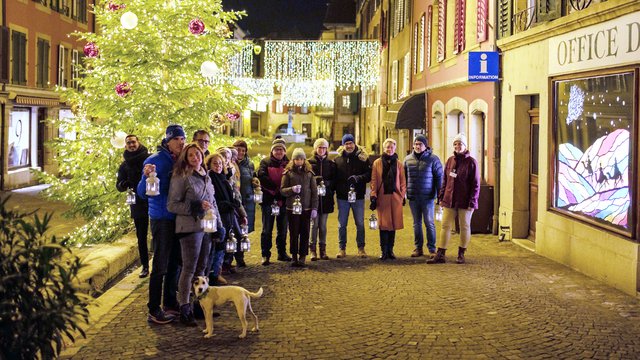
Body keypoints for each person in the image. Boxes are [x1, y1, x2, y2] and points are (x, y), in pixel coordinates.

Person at [167, 143, 223, 326]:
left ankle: (200, 306)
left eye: (197, 154)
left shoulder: (206, 176)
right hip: (189, 228)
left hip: (206, 227)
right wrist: (195, 206)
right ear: (185, 157)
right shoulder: (181, 176)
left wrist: (219, 226)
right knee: (189, 270)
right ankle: (185, 308)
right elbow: (172, 205)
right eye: (190, 155)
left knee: (202, 269)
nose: (194, 158)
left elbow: (213, 202)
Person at [137, 124, 185, 324]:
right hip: (162, 218)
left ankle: (170, 303)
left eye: (183, 139)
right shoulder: (155, 160)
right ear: (167, 141)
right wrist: (145, 176)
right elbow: (141, 193)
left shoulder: (181, 159)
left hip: (178, 218)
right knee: (160, 265)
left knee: (175, 263)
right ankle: (153, 309)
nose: (180, 143)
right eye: (177, 140)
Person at [428, 133, 480, 264]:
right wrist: (441, 197)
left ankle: (461, 253)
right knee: (445, 225)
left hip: (465, 201)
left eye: (460, 144)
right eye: (455, 144)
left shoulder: (471, 162)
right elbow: (445, 180)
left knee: (464, 226)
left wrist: (472, 201)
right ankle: (441, 253)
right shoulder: (450, 160)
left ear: (465, 146)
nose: (457, 146)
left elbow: (476, 184)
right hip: (449, 199)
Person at [404, 134, 443, 258]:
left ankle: (432, 248)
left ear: (425, 146)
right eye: (415, 144)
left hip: (428, 197)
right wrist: (403, 194)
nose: (417, 146)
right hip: (413, 197)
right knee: (416, 224)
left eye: (420, 144)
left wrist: (439, 196)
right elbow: (403, 178)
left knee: (429, 223)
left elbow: (439, 179)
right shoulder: (407, 159)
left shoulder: (433, 159)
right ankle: (418, 248)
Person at [116, 135, 150, 278]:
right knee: (141, 236)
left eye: (133, 142)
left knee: (159, 234)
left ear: (138, 142)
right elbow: (118, 185)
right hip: (137, 203)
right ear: (125, 145)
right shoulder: (124, 165)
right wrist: (124, 184)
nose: (131, 145)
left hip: (152, 200)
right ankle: (145, 266)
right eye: (128, 143)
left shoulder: (148, 159)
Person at [334, 134, 372, 258]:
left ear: (354, 144)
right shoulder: (338, 159)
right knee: (342, 224)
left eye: (351, 143)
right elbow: (334, 178)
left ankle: (361, 248)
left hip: (358, 196)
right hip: (342, 197)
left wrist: (358, 178)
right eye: (346, 144)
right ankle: (342, 248)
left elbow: (369, 175)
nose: (349, 146)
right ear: (343, 145)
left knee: (360, 223)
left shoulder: (362, 158)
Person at [281, 148, 318, 267]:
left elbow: (314, 192)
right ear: (293, 160)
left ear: (304, 160)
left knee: (305, 232)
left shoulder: (309, 174)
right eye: (297, 159)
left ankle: (303, 256)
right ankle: (294, 256)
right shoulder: (288, 173)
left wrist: (314, 208)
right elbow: (282, 190)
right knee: (294, 233)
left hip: (306, 208)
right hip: (292, 208)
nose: (299, 161)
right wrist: (291, 189)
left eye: (301, 159)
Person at [370, 138, 406, 260]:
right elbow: (374, 181)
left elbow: (403, 181)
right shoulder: (377, 163)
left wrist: (402, 195)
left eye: (391, 147)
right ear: (384, 149)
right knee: (383, 225)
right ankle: (383, 250)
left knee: (393, 224)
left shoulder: (399, 164)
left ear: (395, 148)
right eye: (387, 147)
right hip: (382, 197)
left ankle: (391, 250)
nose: (389, 149)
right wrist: (373, 195)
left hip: (395, 198)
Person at [257, 139, 290, 265]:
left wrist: (283, 191)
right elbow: (262, 176)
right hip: (269, 200)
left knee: (282, 229)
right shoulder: (265, 162)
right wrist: (276, 189)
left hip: (284, 200)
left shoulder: (288, 163)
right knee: (267, 229)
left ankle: (282, 252)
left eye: (281, 149)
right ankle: (265, 254)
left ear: (284, 151)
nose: (279, 152)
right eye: (276, 149)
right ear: (272, 151)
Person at [308, 138, 336, 260]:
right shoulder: (309, 163)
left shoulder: (331, 164)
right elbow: (306, 180)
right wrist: (315, 181)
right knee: (314, 225)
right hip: (313, 199)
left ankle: (322, 249)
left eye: (324, 148)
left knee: (323, 226)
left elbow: (335, 180)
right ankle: (312, 249)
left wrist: (328, 184)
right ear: (315, 148)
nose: (322, 150)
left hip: (326, 199)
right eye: (320, 147)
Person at [233, 139, 257, 233]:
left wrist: (255, 181)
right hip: (235, 201)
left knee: (245, 230)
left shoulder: (249, 164)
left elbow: (253, 177)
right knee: (234, 230)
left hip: (247, 202)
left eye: (243, 150)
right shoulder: (229, 163)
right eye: (238, 149)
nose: (241, 152)